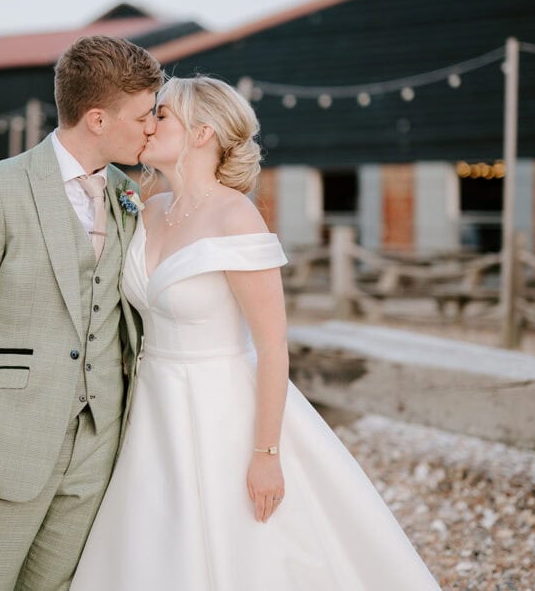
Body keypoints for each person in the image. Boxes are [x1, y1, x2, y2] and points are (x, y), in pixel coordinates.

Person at [71, 76, 441, 590]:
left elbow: (271, 346)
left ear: (201, 134)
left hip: (223, 409)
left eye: (161, 116)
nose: (147, 126)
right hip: (152, 408)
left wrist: (266, 455)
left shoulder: (236, 217)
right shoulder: (149, 209)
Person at [0, 35, 162, 590]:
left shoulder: (130, 195)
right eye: (143, 115)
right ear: (98, 119)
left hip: (99, 448)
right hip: (8, 447)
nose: (152, 125)